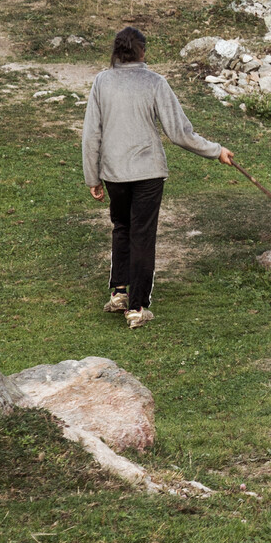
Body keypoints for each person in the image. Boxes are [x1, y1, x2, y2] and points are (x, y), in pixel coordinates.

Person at [81, 26, 234, 328]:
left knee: (121, 227)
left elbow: (91, 135)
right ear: (142, 51)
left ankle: (119, 293)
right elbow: (179, 132)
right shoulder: (155, 83)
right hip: (148, 173)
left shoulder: (102, 82)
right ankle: (137, 307)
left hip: (114, 172)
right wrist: (216, 151)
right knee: (142, 235)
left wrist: (92, 177)